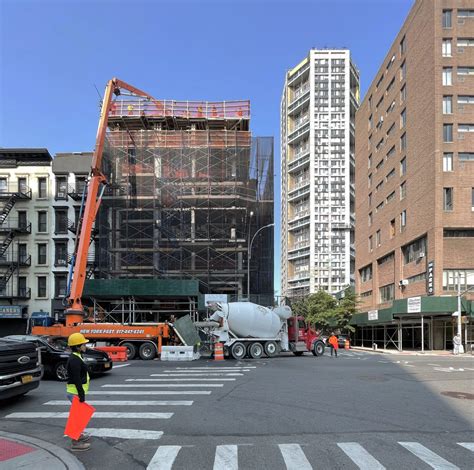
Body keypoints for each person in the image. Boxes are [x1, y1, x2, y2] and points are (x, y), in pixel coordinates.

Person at [66, 333, 91, 452]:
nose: (85, 346)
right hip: (75, 392)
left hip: (75, 392)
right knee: (77, 418)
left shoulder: (77, 356)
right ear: (77, 346)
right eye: (83, 344)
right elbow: (76, 378)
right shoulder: (74, 359)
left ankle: (78, 436)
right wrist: (81, 394)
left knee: (79, 416)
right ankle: (75, 443)